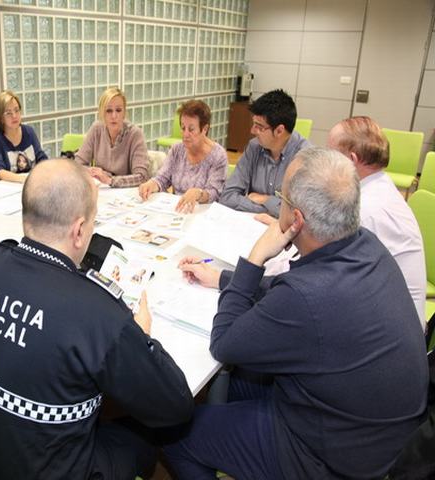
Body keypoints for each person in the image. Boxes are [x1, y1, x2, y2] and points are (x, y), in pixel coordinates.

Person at [169, 147, 428, 479]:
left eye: (283, 198)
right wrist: (223, 278)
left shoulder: (306, 296)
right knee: (225, 386)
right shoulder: (366, 246)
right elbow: (289, 288)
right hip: (378, 434)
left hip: (331, 458)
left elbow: (224, 343)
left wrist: (254, 257)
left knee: (179, 434)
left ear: (296, 219)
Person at [0, 159, 193, 480]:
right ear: (79, 231)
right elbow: (175, 405)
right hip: (43, 470)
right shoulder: (96, 309)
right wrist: (142, 336)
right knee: (146, 436)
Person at [327, 116, 427, 330]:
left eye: (330, 154)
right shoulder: (379, 186)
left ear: (351, 160)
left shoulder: (367, 209)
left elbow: (329, 274)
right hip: (389, 316)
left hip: (389, 332)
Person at [219, 89, 311, 217]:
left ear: (279, 131)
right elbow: (227, 197)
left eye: (259, 126)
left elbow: (300, 213)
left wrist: (266, 200)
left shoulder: (305, 158)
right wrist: (273, 208)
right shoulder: (254, 147)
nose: (252, 130)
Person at [138, 100, 227, 213]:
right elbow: (162, 178)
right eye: (183, 128)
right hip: (178, 211)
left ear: (204, 129)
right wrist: (151, 184)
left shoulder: (218, 155)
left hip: (203, 214)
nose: (185, 134)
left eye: (191, 129)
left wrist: (198, 193)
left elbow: (214, 193)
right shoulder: (177, 150)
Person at [75, 87, 149, 187]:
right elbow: (77, 164)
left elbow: (142, 177)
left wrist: (110, 180)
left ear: (124, 113)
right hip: (103, 191)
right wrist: (91, 171)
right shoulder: (96, 129)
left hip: (126, 193)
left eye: (118, 110)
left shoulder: (135, 134)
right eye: (109, 111)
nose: (114, 116)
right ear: (102, 113)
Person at [0, 90, 47, 182]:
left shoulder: (29, 131)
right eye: (8, 113)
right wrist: (24, 179)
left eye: (17, 110)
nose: (14, 116)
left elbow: (41, 158)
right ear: (0, 117)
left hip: (32, 186)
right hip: (8, 189)